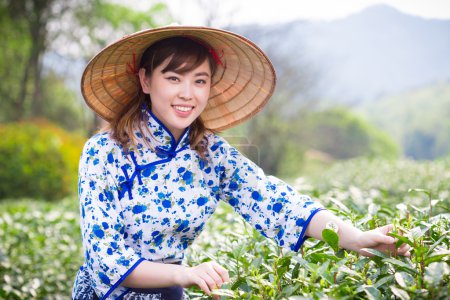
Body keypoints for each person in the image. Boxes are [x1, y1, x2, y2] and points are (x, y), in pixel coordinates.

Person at [72, 26, 410, 300]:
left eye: (200, 80)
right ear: (146, 80)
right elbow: (105, 258)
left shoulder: (210, 152)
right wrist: (184, 273)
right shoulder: (103, 152)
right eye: (174, 78)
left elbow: (276, 202)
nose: (188, 93)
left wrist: (353, 237)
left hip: (172, 293)